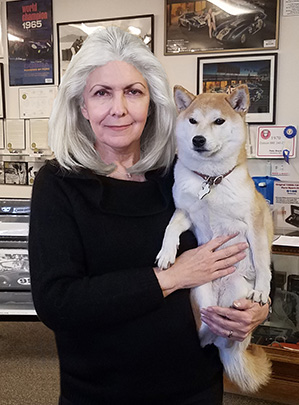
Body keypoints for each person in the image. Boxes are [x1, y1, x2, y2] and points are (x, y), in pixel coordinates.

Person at [29, 27, 270, 405]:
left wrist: (255, 308)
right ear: (82, 106)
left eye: (133, 92)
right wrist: (171, 276)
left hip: (197, 386)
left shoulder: (180, 172)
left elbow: (238, 240)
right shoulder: (60, 182)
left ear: (152, 103)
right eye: (101, 93)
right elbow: (57, 301)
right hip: (105, 393)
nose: (119, 108)